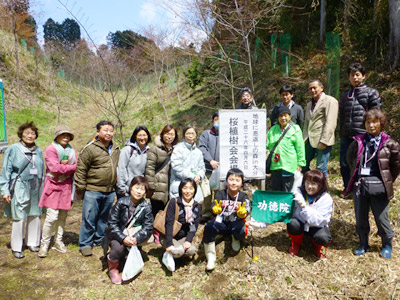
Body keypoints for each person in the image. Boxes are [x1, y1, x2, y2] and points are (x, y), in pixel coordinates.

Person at [345, 109, 400, 259]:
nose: (371, 125)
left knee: (381, 218)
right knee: (360, 216)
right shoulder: (358, 141)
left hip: (380, 186)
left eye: (375, 122)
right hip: (360, 184)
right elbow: (350, 160)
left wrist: (386, 181)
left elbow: (395, 167)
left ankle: (387, 244)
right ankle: (363, 243)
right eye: (368, 122)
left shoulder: (390, 144)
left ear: (381, 124)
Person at [74, 121, 120, 257]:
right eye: (105, 130)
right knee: (89, 218)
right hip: (93, 189)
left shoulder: (116, 147)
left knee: (103, 218)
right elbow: (81, 169)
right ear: (98, 132)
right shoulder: (90, 148)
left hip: (110, 190)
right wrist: (80, 189)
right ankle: (85, 244)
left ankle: (99, 239)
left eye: (111, 131)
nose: (108, 133)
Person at [0, 121, 44, 259]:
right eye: (27, 133)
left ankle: (32, 242)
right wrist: (5, 190)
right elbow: (6, 171)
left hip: (36, 186)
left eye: (33, 133)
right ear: (21, 134)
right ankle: (17, 246)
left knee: (35, 214)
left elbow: (41, 170)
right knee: (19, 216)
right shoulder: (13, 149)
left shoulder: (38, 150)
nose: (30, 136)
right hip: (20, 186)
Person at [339, 63, 382, 197]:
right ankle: (348, 188)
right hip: (346, 134)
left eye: (357, 74)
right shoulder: (346, 94)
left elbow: (376, 114)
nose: (355, 77)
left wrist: (372, 132)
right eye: (352, 75)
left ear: (363, 76)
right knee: (345, 163)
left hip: (363, 135)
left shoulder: (371, 93)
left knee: (361, 163)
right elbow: (342, 115)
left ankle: (360, 190)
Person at [38, 125, 77, 258]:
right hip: (53, 186)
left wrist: (67, 166)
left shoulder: (72, 151)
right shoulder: (51, 149)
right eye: (63, 135)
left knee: (62, 216)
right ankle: (44, 243)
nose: (66, 138)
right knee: (51, 217)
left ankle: (58, 241)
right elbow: (54, 168)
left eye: (68, 136)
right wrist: (69, 167)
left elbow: (77, 166)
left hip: (66, 186)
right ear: (57, 136)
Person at [107, 176, 153, 284]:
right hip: (118, 233)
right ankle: (113, 268)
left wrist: (136, 238)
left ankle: (127, 255)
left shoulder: (146, 206)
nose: (139, 191)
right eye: (137, 187)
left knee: (130, 251)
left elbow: (148, 227)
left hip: (134, 235)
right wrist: (123, 238)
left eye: (142, 189)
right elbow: (112, 223)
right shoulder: (121, 202)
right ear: (131, 188)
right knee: (117, 249)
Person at [203, 168, 250, 271]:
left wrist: (244, 213)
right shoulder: (221, 194)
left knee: (241, 229)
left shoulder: (243, 196)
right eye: (231, 179)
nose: (234, 183)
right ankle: (210, 256)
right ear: (226, 181)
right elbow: (214, 205)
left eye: (237, 180)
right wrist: (215, 210)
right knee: (209, 227)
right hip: (222, 222)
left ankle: (236, 238)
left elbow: (248, 209)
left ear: (242, 183)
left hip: (236, 222)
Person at [288, 170, 333, 258]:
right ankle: (296, 243)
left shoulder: (326, 199)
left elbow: (316, 221)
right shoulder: (299, 193)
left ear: (320, 186)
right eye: (307, 182)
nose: (309, 186)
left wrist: (304, 206)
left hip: (317, 226)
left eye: (313, 184)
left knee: (323, 237)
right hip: (301, 223)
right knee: (292, 223)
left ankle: (318, 246)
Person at [161, 178, 201, 271]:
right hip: (169, 235)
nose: (188, 191)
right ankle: (167, 254)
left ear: (195, 190)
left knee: (191, 250)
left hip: (183, 237)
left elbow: (193, 226)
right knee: (178, 251)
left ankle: (176, 255)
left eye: (191, 188)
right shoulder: (174, 202)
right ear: (181, 189)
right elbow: (169, 224)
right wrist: (169, 243)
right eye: (185, 188)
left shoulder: (196, 206)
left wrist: (188, 240)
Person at [303, 79, 338, 178]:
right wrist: (303, 139)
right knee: (303, 164)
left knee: (321, 168)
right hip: (309, 139)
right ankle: (309, 184)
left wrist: (325, 140)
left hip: (322, 140)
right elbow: (306, 123)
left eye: (315, 88)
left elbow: (331, 122)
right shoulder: (309, 104)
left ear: (321, 88)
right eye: (310, 89)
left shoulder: (330, 101)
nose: (312, 90)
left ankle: (322, 190)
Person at [267, 106, 306, 192]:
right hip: (275, 165)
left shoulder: (295, 129)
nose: (283, 118)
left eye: (285, 115)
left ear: (289, 116)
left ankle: (287, 205)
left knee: (287, 189)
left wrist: (300, 163)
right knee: (276, 189)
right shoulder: (272, 130)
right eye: (281, 116)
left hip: (289, 165)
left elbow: (300, 148)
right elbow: (267, 144)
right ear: (278, 118)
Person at [145, 125, 178, 217]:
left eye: (172, 134)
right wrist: (151, 187)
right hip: (158, 187)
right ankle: (155, 231)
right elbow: (149, 168)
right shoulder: (155, 149)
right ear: (162, 135)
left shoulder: (177, 150)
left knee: (169, 215)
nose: (169, 136)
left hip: (171, 187)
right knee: (156, 214)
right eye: (167, 134)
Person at [170, 124, 205, 203]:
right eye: (188, 133)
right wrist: (192, 176)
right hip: (179, 185)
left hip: (194, 187)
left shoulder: (198, 152)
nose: (190, 136)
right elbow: (177, 167)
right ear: (184, 135)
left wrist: (199, 176)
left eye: (193, 133)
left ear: (196, 135)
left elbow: (202, 168)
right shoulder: (178, 149)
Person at [117, 126, 151, 198]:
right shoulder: (127, 150)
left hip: (139, 191)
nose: (142, 138)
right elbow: (121, 169)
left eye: (144, 135)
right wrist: (122, 189)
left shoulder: (149, 152)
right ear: (135, 136)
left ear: (148, 136)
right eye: (139, 135)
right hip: (126, 190)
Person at [198, 112, 220, 221]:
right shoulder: (206, 134)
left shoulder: (227, 135)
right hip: (207, 168)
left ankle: (216, 213)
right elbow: (202, 148)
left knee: (218, 192)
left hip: (220, 170)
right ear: (212, 121)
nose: (218, 122)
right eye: (216, 119)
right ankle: (205, 213)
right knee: (206, 192)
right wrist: (210, 160)